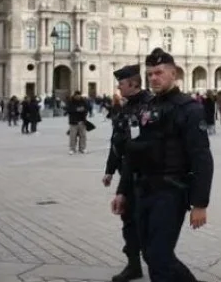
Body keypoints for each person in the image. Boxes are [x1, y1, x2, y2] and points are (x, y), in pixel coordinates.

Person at [111, 48, 213, 282]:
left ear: (174, 74)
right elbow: (132, 154)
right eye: (149, 74)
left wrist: (200, 203)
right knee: (151, 254)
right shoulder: (147, 108)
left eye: (159, 73)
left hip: (171, 190)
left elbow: (202, 158)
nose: (153, 78)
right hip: (144, 189)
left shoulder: (189, 109)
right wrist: (122, 191)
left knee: (159, 257)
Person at [103, 65, 151, 282]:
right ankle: (133, 265)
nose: (118, 87)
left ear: (132, 83)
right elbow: (117, 142)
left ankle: (157, 263)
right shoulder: (125, 108)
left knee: (148, 222)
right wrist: (110, 170)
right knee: (128, 220)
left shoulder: (148, 106)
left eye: (121, 83)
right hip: (127, 175)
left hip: (148, 175)